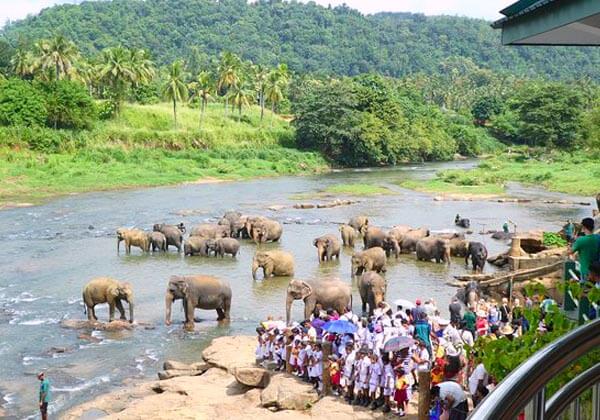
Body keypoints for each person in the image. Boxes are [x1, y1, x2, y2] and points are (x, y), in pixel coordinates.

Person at [570, 218, 600, 282]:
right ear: (593, 227)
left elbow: (570, 252)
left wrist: (573, 244)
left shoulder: (581, 240)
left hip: (585, 271)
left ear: (583, 227)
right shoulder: (598, 237)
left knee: (585, 288)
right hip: (597, 271)